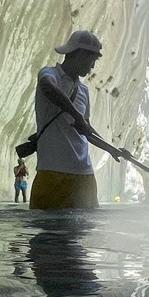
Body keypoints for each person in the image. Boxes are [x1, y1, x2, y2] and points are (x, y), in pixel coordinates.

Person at [29, 30, 122, 210]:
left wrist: (112, 149)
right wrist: (76, 114)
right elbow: (47, 87)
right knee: (48, 234)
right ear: (79, 54)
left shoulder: (84, 91)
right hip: (52, 172)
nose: (92, 67)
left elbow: (86, 129)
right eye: (91, 60)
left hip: (83, 174)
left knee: (83, 234)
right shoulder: (50, 74)